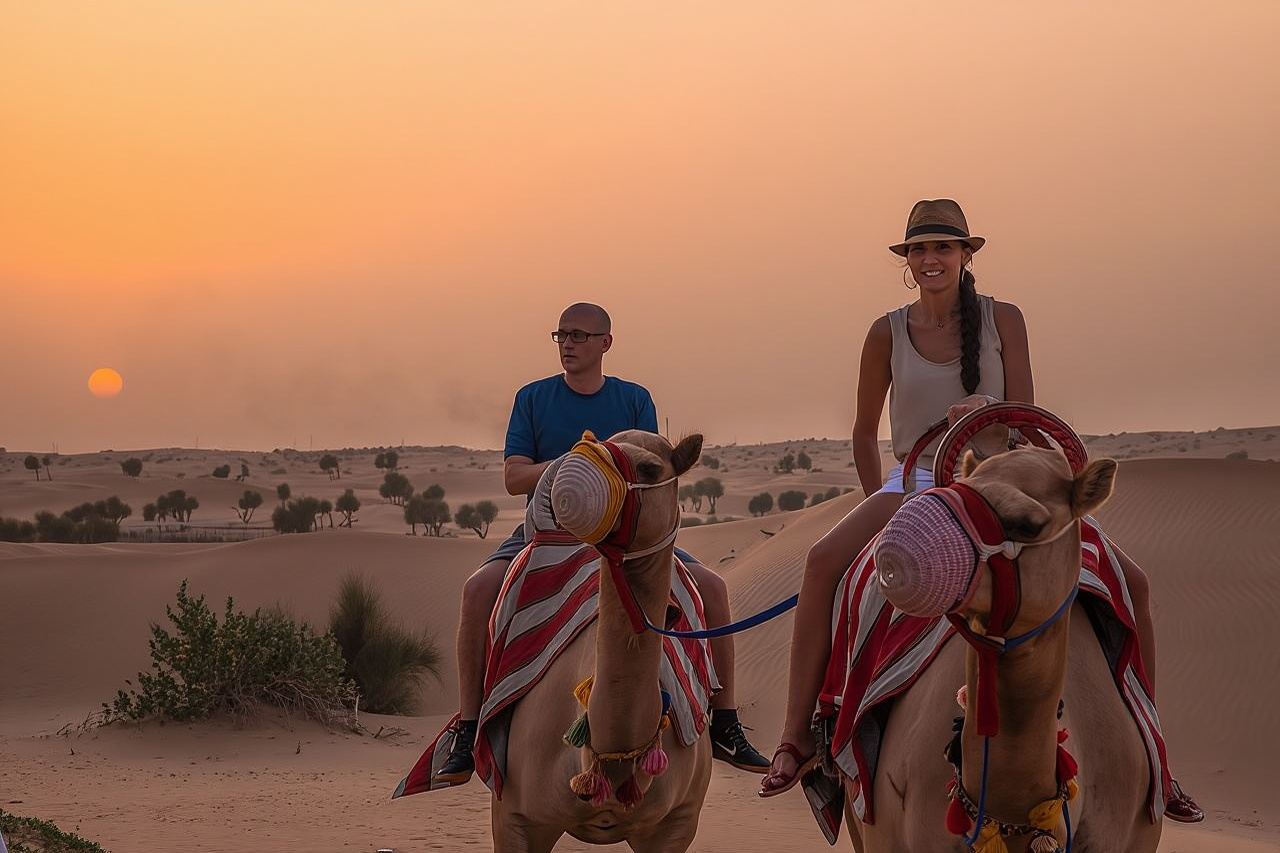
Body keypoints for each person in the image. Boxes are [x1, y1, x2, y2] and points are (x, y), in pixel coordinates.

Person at [757, 199, 1202, 822]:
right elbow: (863, 432)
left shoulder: (1004, 320)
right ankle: (797, 735)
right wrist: (881, 505)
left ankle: (1155, 756)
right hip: (917, 482)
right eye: (918, 250)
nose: (929, 259)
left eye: (942, 247)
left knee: (1132, 582)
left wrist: (988, 408)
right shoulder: (886, 331)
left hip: (1006, 477)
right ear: (906, 263)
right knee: (824, 561)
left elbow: (1029, 416)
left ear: (966, 255)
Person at [434, 302, 769, 784]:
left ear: (605, 343)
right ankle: (468, 730)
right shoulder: (533, 398)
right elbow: (513, 477)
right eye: (561, 335)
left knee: (712, 589)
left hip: (624, 534)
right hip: (548, 530)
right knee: (478, 590)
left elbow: (653, 469)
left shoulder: (634, 399)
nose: (567, 344)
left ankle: (726, 724)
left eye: (578, 335)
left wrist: (604, 488)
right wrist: (579, 474)